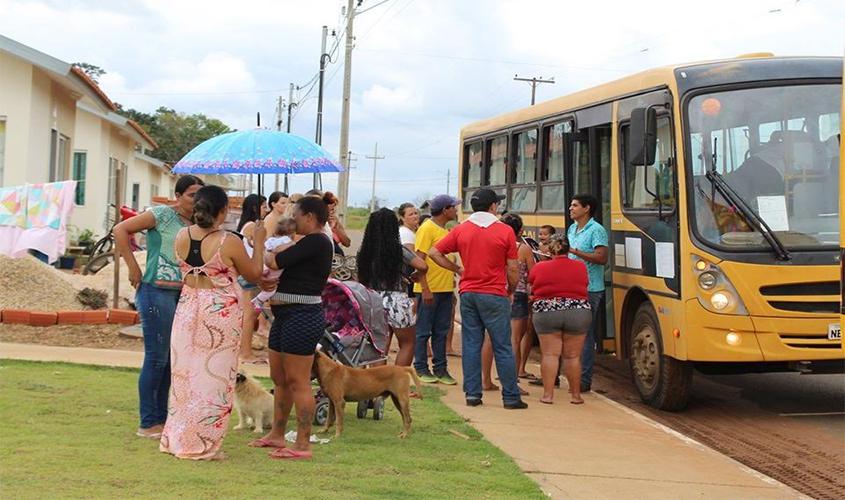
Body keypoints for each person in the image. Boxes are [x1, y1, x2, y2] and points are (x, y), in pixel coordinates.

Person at [160, 185, 266, 460]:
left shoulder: (182, 236)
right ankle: (203, 443)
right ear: (223, 211)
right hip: (218, 314)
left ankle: (179, 437)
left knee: (184, 377)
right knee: (213, 380)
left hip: (187, 310)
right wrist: (259, 243)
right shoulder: (227, 241)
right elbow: (254, 274)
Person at [114, 174, 205, 439]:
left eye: (200, 194)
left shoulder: (198, 223)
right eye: (191, 194)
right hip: (156, 291)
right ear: (178, 196)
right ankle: (148, 421)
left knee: (171, 360)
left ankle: (162, 419)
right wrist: (132, 266)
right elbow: (121, 229)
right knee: (156, 357)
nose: (196, 199)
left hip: (183, 295)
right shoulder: (162, 214)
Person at [250, 196, 334, 460]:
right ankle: (277, 433)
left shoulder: (317, 241)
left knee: (298, 381)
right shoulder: (305, 242)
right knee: (280, 378)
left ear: (310, 217)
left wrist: (262, 240)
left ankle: (302, 443)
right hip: (284, 314)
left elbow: (276, 262)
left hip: (303, 315)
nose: (291, 220)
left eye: (295, 215)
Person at [429, 188, 527, 409]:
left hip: (469, 292)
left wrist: (457, 269)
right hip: (494, 293)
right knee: (502, 345)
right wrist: (511, 289)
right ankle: (510, 397)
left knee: (472, 344)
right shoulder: (504, 231)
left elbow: (434, 252)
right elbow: (512, 268)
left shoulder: (461, 229)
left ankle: (473, 394)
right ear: (493, 206)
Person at [356, 208, 428, 366]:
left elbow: (360, 279)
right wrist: (413, 276)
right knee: (407, 343)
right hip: (395, 300)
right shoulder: (398, 249)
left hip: (371, 300)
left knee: (378, 346)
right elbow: (422, 266)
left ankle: (377, 384)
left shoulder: (364, 252)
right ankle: (398, 382)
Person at [529, 233, 590, 404]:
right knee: (573, 357)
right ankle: (576, 396)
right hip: (578, 311)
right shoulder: (580, 266)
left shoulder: (540, 267)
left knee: (550, 354)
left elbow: (531, 285)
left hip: (547, 311)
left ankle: (548, 395)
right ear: (568, 248)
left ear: (549, 249)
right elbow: (585, 284)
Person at [412, 194, 461, 385]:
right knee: (424, 331)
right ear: (445, 210)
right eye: (453, 207)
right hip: (429, 289)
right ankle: (421, 367)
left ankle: (440, 368)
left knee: (442, 330)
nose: (456, 210)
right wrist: (425, 288)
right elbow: (418, 260)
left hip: (445, 289)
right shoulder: (427, 229)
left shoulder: (444, 230)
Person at [567, 194, 608, 392]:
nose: (571, 208)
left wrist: (575, 251)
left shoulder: (597, 230)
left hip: (590, 288)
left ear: (587, 208)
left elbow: (601, 258)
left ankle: (584, 380)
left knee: (584, 334)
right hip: (571, 287)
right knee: (571, 333)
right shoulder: (572, 228)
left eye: (575, 205)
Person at [501, 214, 536, 380]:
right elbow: (533, 274)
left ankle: (502, 374)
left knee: (502, 339)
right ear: (520, 230)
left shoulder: (498, 245)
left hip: (500, 293)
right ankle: (513, 378)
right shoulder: (523, 249)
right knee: (516, 340)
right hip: (519, 295)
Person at [237, 193, 269, 364]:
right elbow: (259, 248)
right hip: (250, 274)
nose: (267, 210)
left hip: (251, 273)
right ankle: (245, 352)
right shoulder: (251, 226)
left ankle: (245, 351)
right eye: (264, 206)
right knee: (249, 315)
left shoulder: (250, 225)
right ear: (255, 208)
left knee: (251, 314)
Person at [251, 217, 297, 312]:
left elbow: (265, 247)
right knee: (271, 289)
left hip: (264, 266)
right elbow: (277, 249)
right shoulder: (286, 240)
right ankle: (258, 300)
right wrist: (292, 244)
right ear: (292, 233)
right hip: (272, 271)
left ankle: (257, 300)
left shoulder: (272, 239)